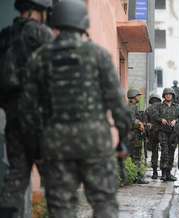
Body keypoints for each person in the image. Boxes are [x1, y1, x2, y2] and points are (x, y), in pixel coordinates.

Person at [20, 0, 131, 217]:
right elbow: (118, 104)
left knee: (61, 209)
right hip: (95, 143)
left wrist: (36, 149)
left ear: (55, 21)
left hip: (56, 145)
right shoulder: (98, 55)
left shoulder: (40, 57)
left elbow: (27, 111)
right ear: (83, 22)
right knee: (104, 205)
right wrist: (122, 139)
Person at [0, 1, 53, 217]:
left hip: (12, 119)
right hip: (39, 120)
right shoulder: (42, 34)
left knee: (16, 178)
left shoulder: (4, 36)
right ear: (36, 11)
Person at [154, 88, 179, 181]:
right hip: (163, 132)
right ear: (164, 96)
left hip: (173, 133)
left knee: (171, 152)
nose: (168, 95)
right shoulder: (159, 106)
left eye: (170, 94)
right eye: (166, 94)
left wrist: (175, 120)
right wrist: (161, 119)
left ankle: (169, 173)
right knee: (164, 152)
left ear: (173, 95)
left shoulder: (177, 107)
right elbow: (154, 115)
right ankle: (163, 173)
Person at [127, 88, 149, 184]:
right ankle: (139, 178)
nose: (139, 97)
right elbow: (131, 121)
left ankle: (135, 176)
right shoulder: (132, 107)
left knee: (134, 157)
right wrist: (139, 124)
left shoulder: (132, 106)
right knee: (136, 157)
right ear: (134, 96)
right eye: (138, 95)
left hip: (133, 136)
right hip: (134, 136)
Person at [144, 93, 162, 179]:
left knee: (154, 153)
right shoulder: (162, 107)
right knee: (165, 152)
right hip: (162, 133)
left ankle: (155, 173)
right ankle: (165, 173)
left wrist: (147, 135)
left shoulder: (147, 109)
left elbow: (146, 124)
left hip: (152, 134)